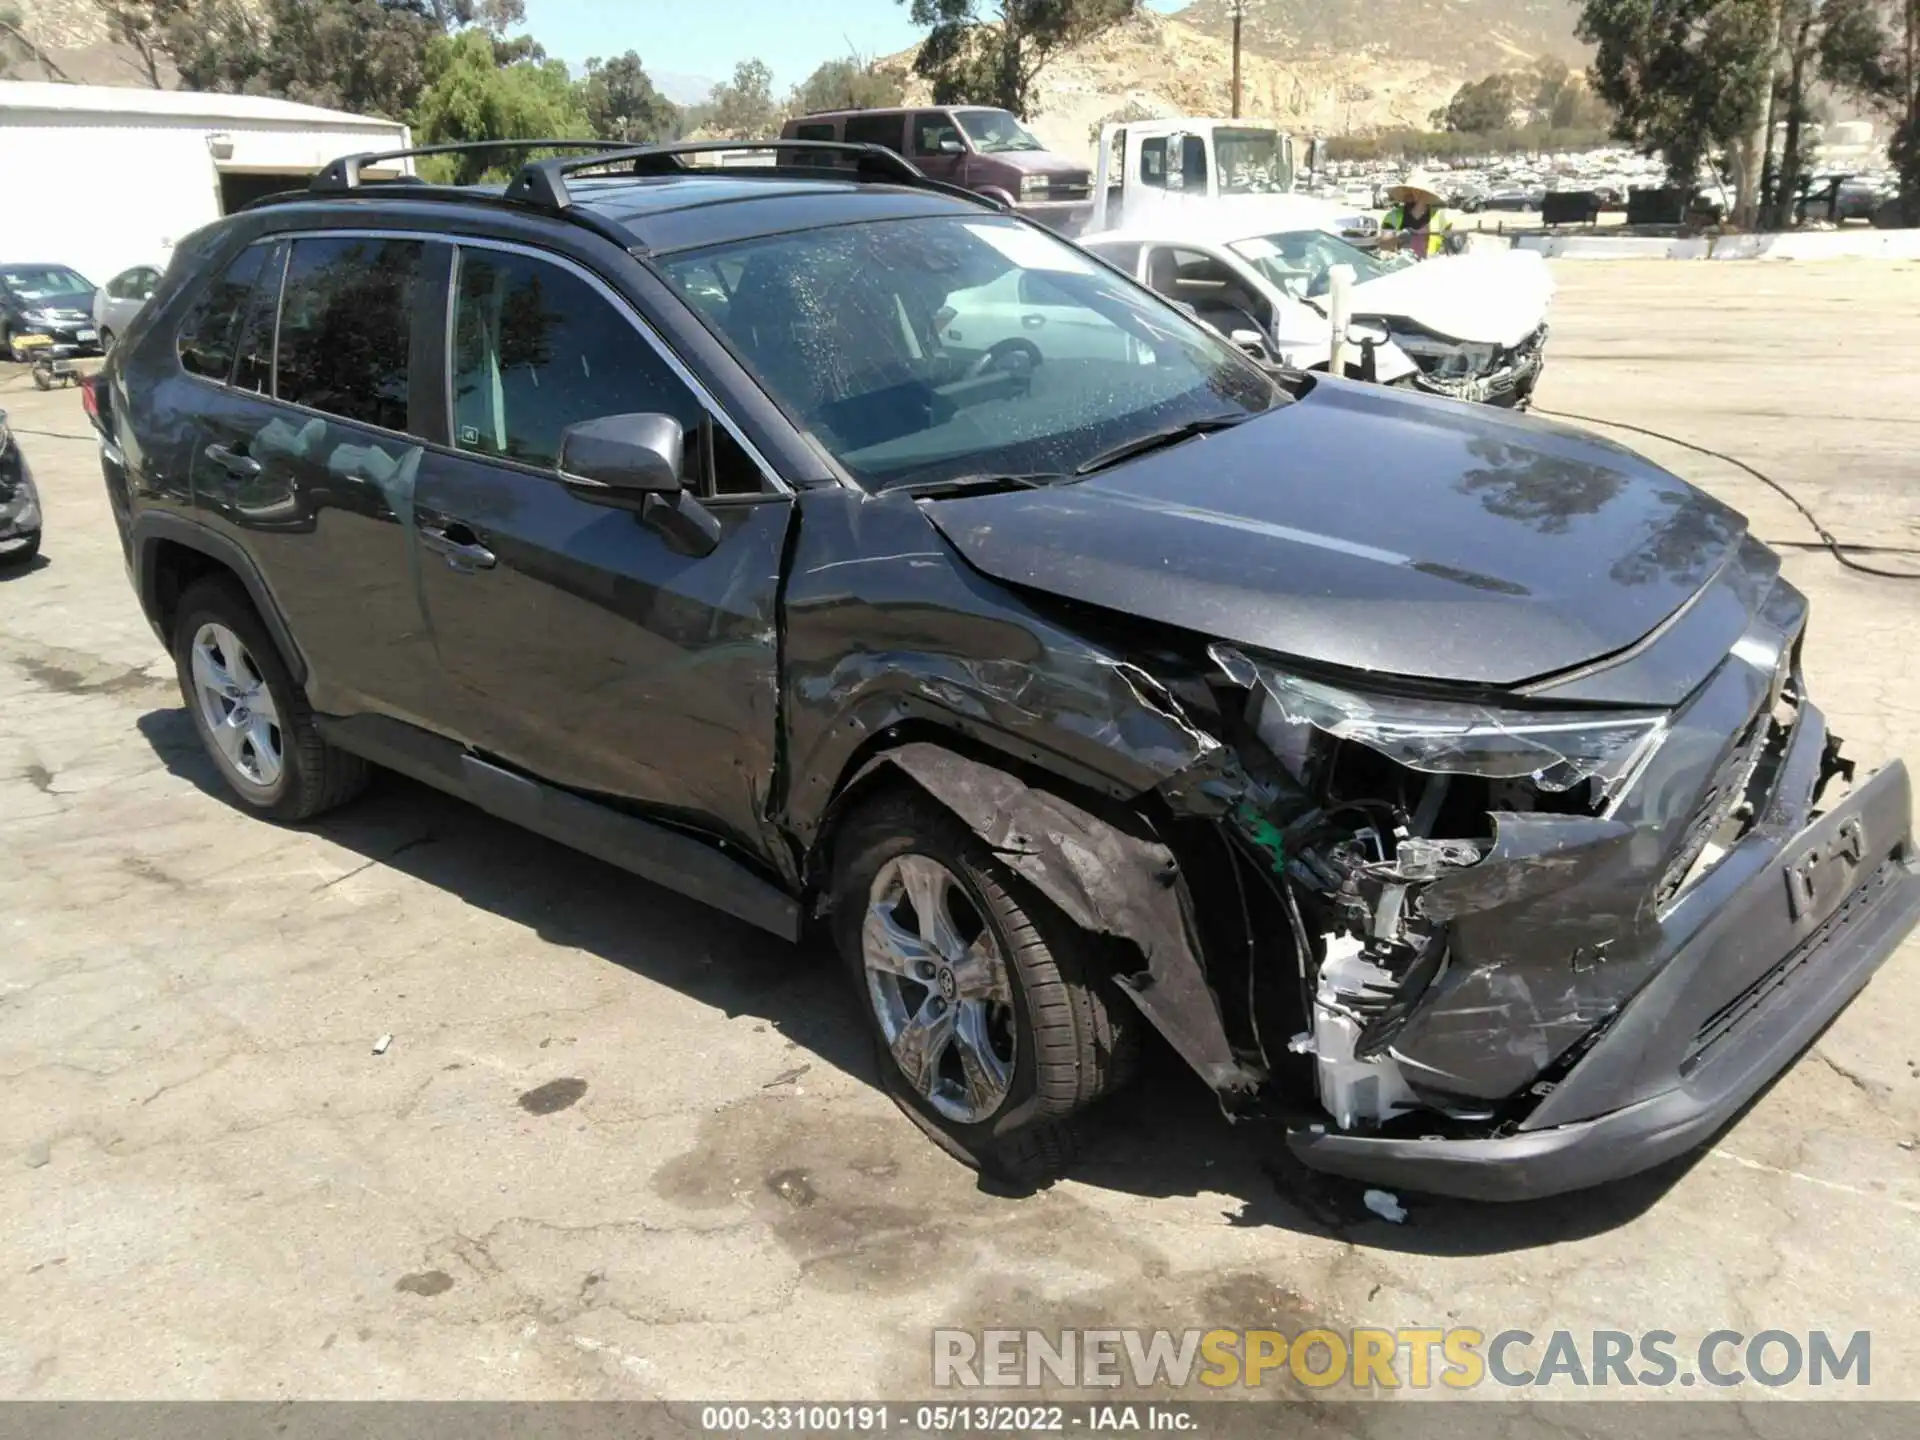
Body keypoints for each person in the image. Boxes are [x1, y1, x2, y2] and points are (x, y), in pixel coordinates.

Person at [1380, 172, 1455, 259]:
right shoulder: (1393, 215)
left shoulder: (1439, 217)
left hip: (1430, 267)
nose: (1407, 193)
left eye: (1414, 190)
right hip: (1401, 268)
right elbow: (1385, 244)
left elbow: (1451, 247)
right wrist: (1393, 239)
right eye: (1408, 190)